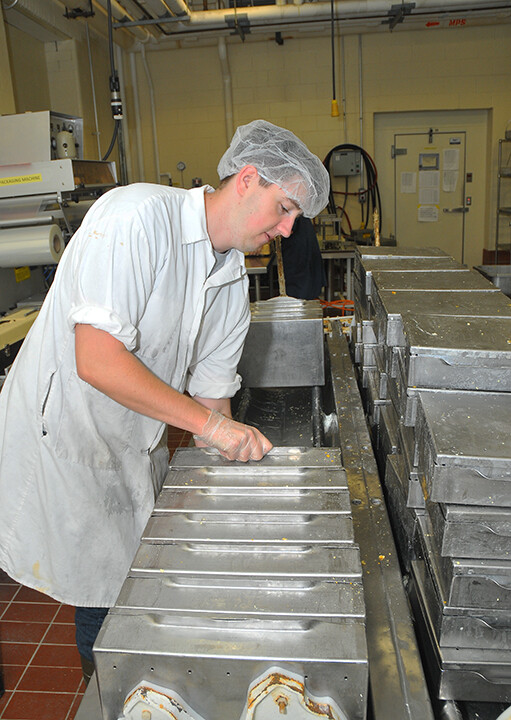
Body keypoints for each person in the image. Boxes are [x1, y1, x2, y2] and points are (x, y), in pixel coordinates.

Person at [0, 119, 330, 682]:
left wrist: (238, 499)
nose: (288, 227)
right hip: (65, 435)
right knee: (101, 586)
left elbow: (213, 402)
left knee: (127, 573)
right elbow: (97, 359)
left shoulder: (230, 283)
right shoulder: (135, 218)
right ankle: (102, 688)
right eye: (285, 207)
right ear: (247, 178)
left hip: (132, 436)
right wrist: (213, 427)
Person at [280, 215, 326, 299]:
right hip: (299, 247)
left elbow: (287, 229)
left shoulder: (291, 212)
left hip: (298, 251)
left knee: (299, 296)